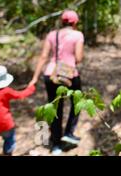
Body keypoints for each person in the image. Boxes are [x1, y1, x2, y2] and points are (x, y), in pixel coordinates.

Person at [29, 10, 84, 155]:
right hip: (69, 75)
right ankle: (69, 132)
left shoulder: (52, 35)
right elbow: (78, 58)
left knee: (55, 108)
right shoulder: (78, 35)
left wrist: (34, 78)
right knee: (77, 103)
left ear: (62, 21)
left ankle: (56, 145)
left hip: (51, 74)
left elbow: (43, 56)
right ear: (75, 22)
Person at [0, 65, 35, 156]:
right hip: (4, 122)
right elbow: (20, 95)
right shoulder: (6, 91)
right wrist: (31, 88)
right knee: (9, 139)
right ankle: (7, 153)